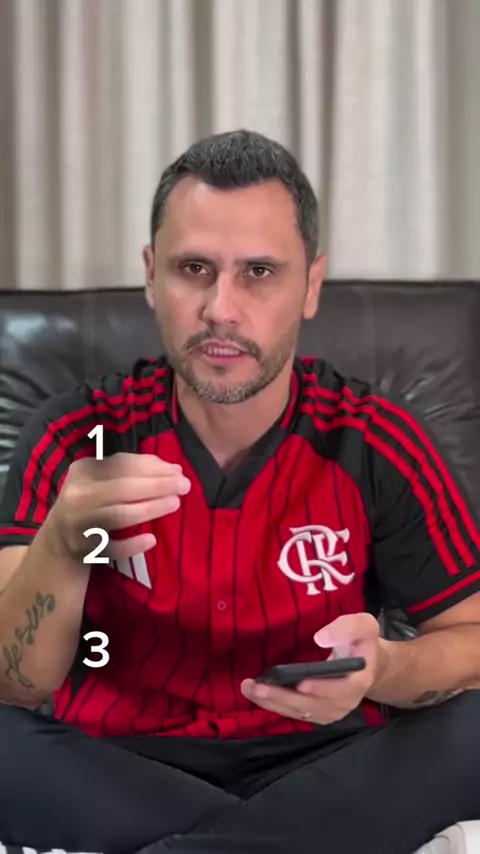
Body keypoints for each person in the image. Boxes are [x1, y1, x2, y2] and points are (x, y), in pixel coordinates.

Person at [1, 129, 480, 854]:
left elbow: (469, 640)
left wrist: (385, 667)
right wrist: (63, 546)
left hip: (327, 761)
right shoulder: (76, 435)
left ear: (310, 286)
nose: (221, 309)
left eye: (259, 272)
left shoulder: (377, 439)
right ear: (151, 277)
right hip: (120, 765)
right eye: (194, 268)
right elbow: (16, 686)